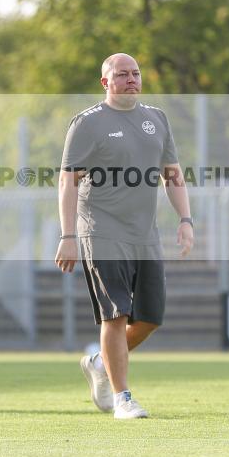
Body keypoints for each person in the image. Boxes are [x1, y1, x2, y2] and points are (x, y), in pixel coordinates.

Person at [55, 53, 194, 420]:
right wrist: (67, 235)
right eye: (121, 74)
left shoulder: (157, 119)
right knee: (115, 315)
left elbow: (173, 174)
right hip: (100, 230)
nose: (131, 79)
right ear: (106, 83)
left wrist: (186, 219)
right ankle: (123, 398)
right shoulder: (87, 123)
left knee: (149, 318)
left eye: (135, 73)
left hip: (144, 235)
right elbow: (68, 180)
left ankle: (101, 362)